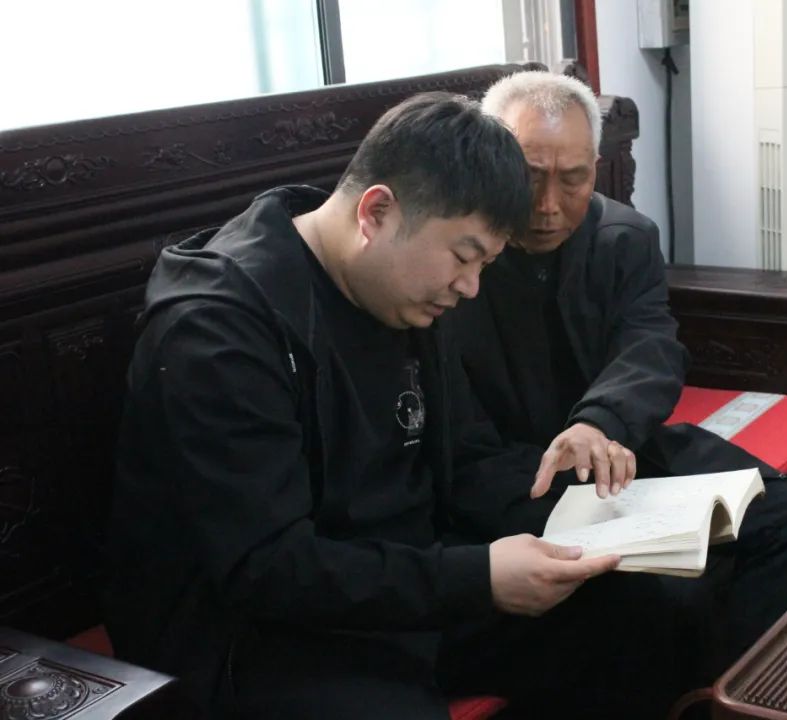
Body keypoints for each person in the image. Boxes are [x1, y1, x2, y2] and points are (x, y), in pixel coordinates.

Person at [104, 92, 684, 720]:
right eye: (464, 257)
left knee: (640, 606)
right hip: (256, 630)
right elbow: (266, 566)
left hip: (399, 583)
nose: (470, 287)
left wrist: (599, 520)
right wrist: (477, 577)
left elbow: (467, 457)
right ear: (375, 212)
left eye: (486, 264)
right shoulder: (219, 330)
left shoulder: (400, 290)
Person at [445, 71, 787, 679]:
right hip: (511, 479)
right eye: (529, 176)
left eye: (572, 179)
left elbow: (650, 345)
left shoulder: (623, 237)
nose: (547, 206)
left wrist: (600, 424)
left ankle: (735, 694)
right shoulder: (453, 254)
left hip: (623, 452)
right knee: (661, 591)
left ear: (596, 169)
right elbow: (453, 431)